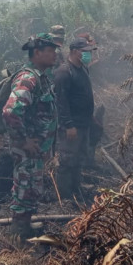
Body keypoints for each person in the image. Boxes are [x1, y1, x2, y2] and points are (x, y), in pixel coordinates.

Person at [2, 33, 59, 243]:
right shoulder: (28, 79)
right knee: (24, 186)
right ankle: (18, 233)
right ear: (37, 53)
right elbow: (10, 111)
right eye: (50, 51)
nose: (54, 55)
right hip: (27, 148)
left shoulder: (42, 78)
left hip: (36, 148)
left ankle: (25, 223)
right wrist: (23, 140)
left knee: (32, 186)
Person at [53, 37, 97, 200]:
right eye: (84, 51)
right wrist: (69, 125)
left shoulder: (83, 69)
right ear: (74, 51)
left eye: (89, 52)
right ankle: (64, 196)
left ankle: (76, 187)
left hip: (84, 123)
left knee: (79, 157)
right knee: (67, 159)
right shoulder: (64, 72)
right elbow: (61, 102)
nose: (88, 55)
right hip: (72, 126)